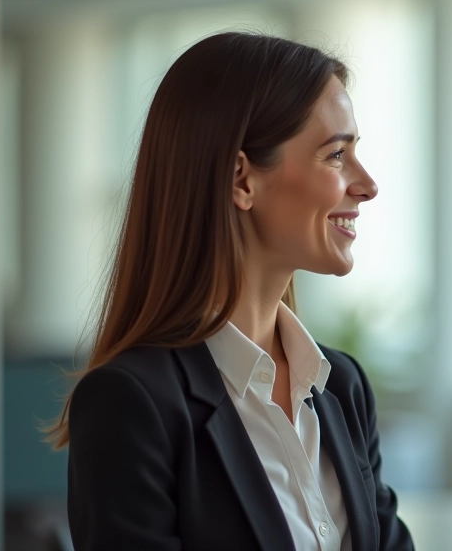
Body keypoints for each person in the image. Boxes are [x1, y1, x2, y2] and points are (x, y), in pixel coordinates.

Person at [46, 32, 414, 551]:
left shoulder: (341, 388)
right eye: (336, 154)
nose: (367, 183)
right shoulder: (131, 404)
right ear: (242, 179)